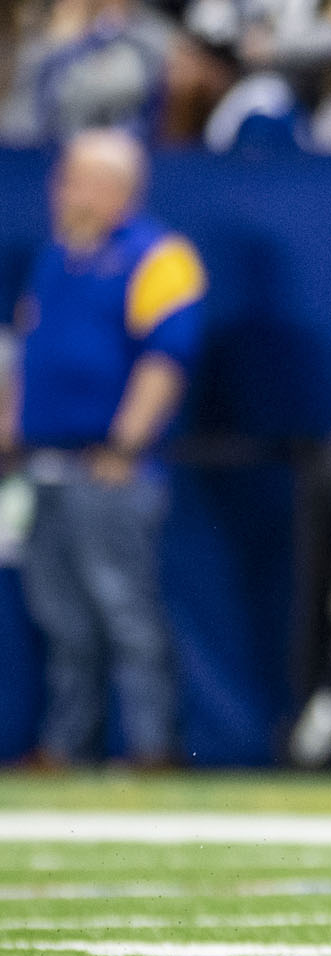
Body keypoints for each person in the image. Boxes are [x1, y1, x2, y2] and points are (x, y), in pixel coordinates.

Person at [0, 128, 204, 769]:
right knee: (60, 617)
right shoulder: (56, 257)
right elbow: (30, 353)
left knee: (125, 610)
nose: (62, 192)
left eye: (77, 180)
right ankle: (67, 745)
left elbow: (167, 359)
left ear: (119, 188)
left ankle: (152, 744)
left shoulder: (159, 257)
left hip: (108, 465)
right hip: (43, 462)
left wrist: (124, 444)